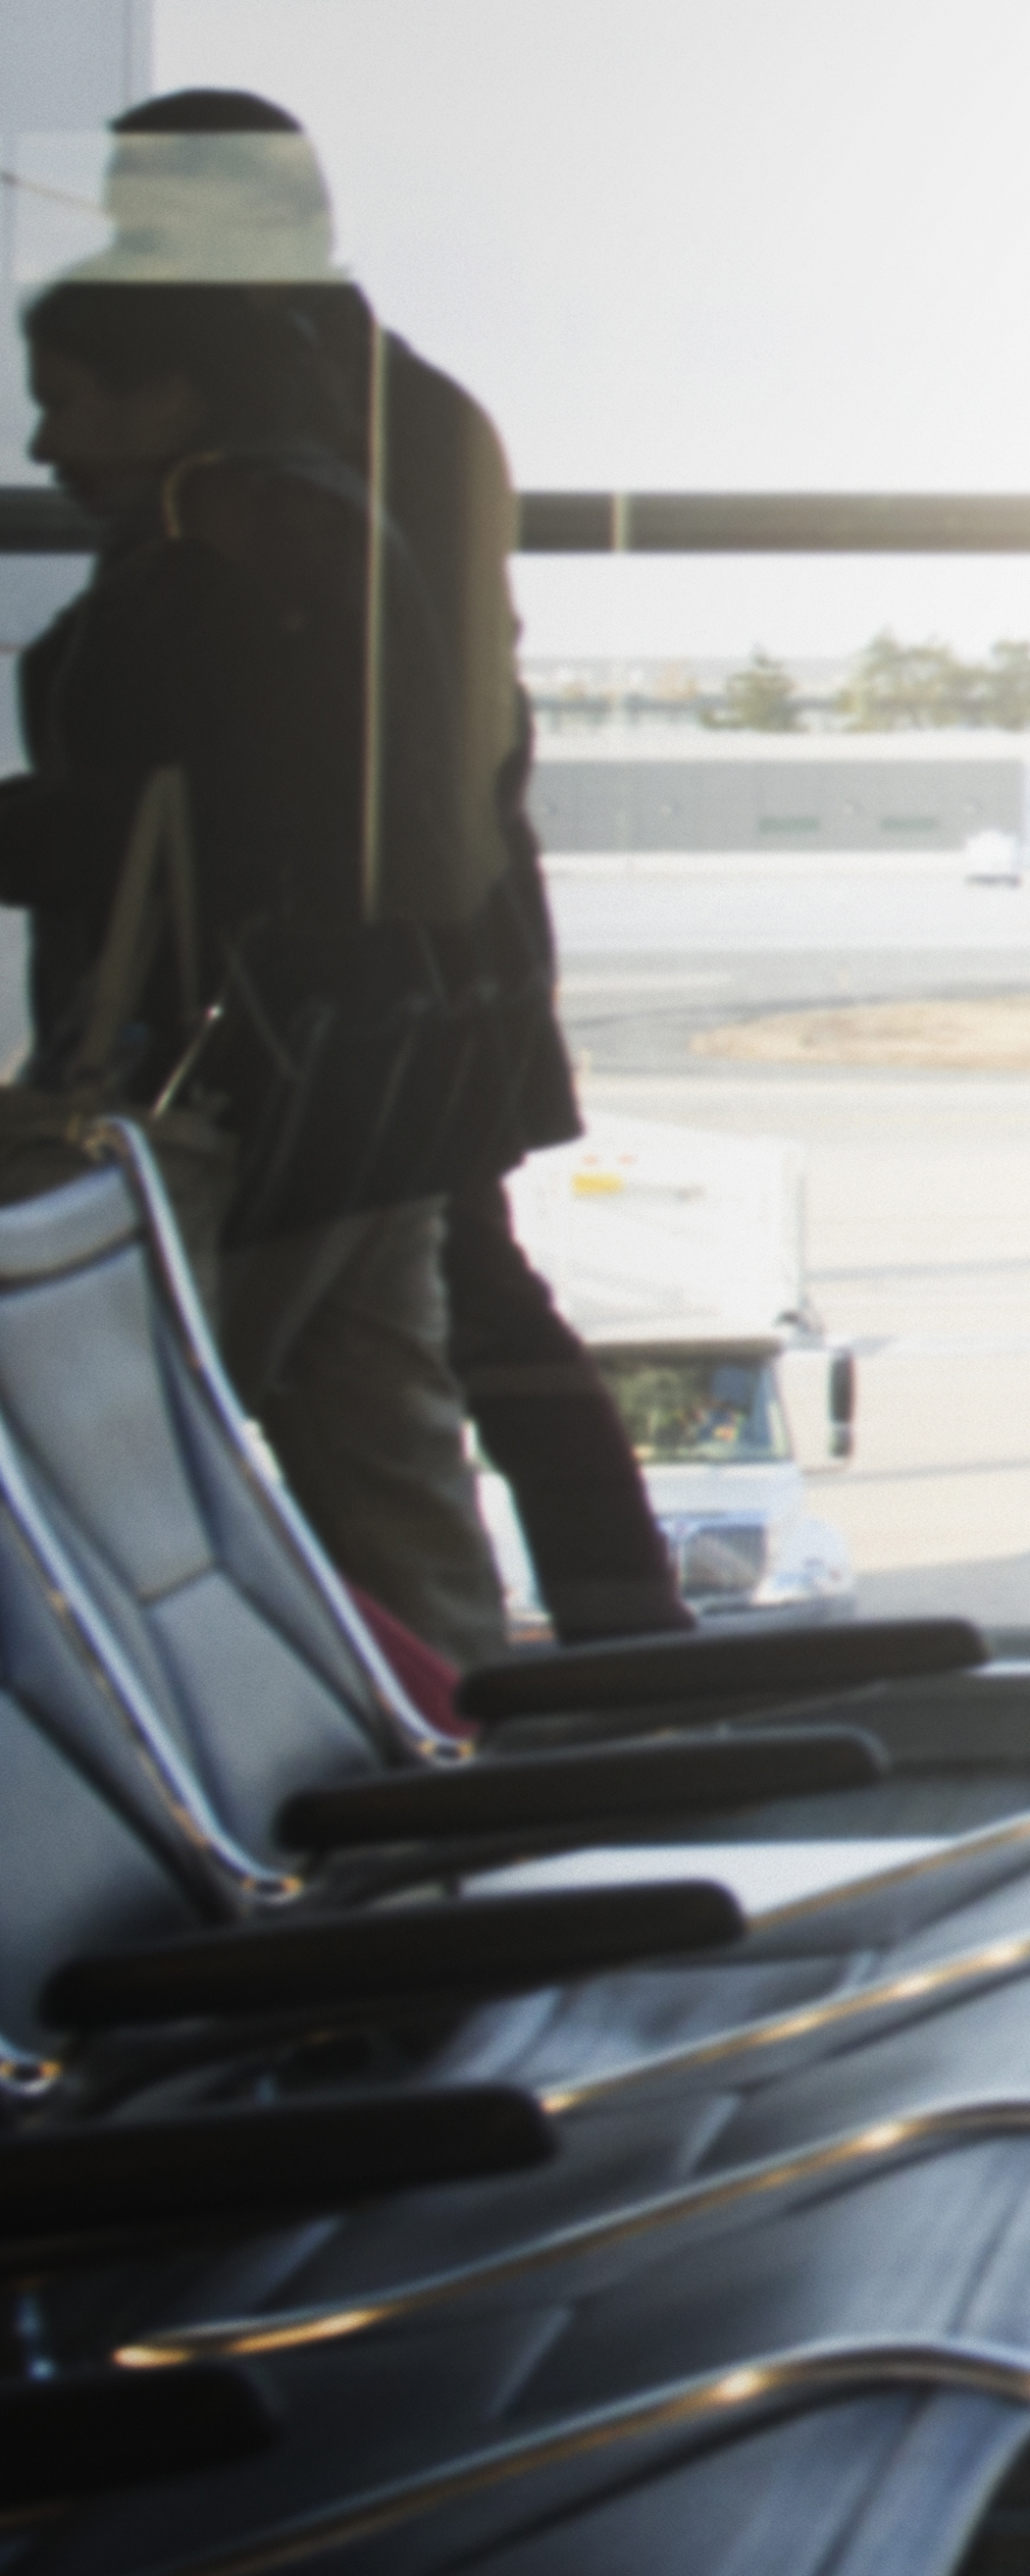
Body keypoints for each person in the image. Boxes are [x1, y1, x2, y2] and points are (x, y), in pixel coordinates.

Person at [94, 92, 690, 1646]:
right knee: (437, 1326)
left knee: (389, 1325)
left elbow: (382, 733)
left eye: (147, 219)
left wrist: (360, 955)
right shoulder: (377, 405)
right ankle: (578, 1654)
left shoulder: (307, 437)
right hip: (408, 953)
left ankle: (571, 1658)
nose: (121, 245)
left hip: (356, 967)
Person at [10, 245, 520, 1662]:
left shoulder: (226, 536)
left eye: (69, 400)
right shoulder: (334, 503)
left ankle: (166, 1780)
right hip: (369, 1058)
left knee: (118, 1445)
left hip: (240, 1066)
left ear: (169, 391)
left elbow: (185, 814)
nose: (46, 439)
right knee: (382, 1452)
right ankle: (471, 1791)